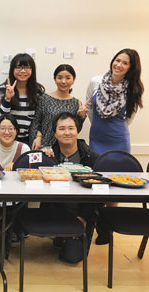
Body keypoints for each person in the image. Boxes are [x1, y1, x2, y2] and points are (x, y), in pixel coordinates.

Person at [42, 112, 100, 263]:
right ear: (54, 133)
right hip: (56, 211)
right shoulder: (49, 155)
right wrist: (41, 158)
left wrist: (84, 217)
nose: (66, 133)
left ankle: (72, 237)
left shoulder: (91, 157)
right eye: (61, 129)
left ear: (77, 130)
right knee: (55, 248)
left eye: (70, 128)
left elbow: (99, 193)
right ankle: (59, 236)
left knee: (72, 258)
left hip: (81, 213)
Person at [86, 48, 144, 154]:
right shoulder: (96, 81)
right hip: (96, 138)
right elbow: (89, 106)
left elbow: (130, 117)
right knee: (96, 169)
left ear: (131, 68)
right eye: (117, 60)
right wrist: (97, 123)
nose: (119, 65)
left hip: (119, 140)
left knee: (119, 170)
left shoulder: (133, 89)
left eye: (125, 63)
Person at [30, 64, 87, 149]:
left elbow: (75, 130)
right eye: (60, 78)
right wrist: (37, 137)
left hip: (65, 148)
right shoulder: (44, 99)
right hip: (44, 146)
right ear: (55, 79)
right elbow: (36, 122)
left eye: (68, 78)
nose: (63, 81)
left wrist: (81, 117)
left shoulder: (76, 103)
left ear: (73, 79)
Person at [0, 53, 45, 145]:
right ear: (12, 69)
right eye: (18, 67)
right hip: (7, 139)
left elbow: (40, 119)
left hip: (29, 140)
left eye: (27, 67)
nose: (22, 71)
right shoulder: (3, 90)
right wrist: (7, 99)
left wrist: (38, 137)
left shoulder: (37, 92)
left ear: (32, 70)